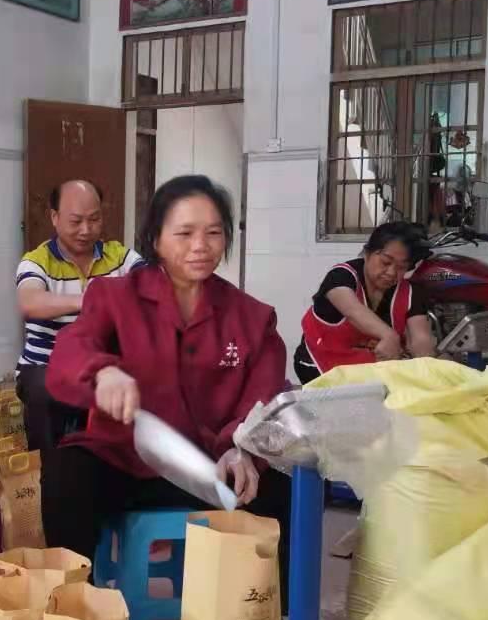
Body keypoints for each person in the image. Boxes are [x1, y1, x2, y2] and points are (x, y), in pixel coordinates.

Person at [44, 175, 291, 588]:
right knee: (66, 471)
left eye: (214, 233)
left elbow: (264, 394)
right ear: (156, 238)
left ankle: (266, 613)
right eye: (185, 233)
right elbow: (71, 350)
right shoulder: (114, 297)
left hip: (213, 467)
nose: (201, 245)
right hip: (127, 464)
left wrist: (242, 448)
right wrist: (103, 371)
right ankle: (72, 602)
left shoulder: (251, 317)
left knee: (283, 486)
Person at [15, 180, 143, 453]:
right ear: (54, 217)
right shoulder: (37, 261)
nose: (86, 230)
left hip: (102, 366)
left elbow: (151, 285)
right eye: (76, 221)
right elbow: (30, 301)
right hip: (44, 364)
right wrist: (88, 300)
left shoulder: (120, 257)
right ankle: (47, 468)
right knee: (44, 393)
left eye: (94, 219)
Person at [294, 221, 434, 385]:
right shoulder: (340, 277)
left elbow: (420, 338)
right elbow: (353, 311)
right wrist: (389, 336)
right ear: (367, 253)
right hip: (321, 364)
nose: (391, 273)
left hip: (368, 371)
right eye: (385, 262)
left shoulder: (410, 292)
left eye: (401, 267)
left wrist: (427, 364)